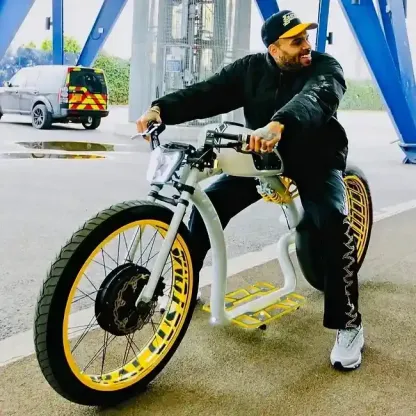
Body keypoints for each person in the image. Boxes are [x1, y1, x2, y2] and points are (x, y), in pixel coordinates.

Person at [136, 10, 364, 371]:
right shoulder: (250, 69)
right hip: (264, 155)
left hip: (316, 158)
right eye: (297, 41)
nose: (306, 45)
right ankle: (187, 285)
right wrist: (160, 109)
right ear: (274, 49)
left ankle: (349, 324)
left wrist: (279, 124)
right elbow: (207, 93)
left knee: (332, 220)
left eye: (306, 38)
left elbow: (316, 98)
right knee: (209, 203)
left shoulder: (324, 66)